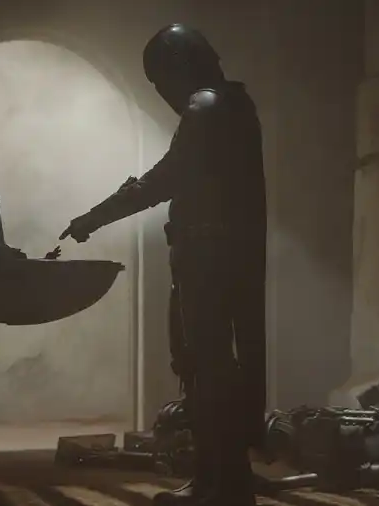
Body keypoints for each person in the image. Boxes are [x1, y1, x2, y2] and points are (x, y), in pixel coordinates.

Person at [59, 24, 267, 506]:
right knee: (213, 369)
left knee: (206, 370)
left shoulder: (206, 107)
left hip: (207, 260)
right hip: (225, 256)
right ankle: (220, 480)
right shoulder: (236, 106)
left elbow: (164, 180)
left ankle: (220, 485)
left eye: (161, 80)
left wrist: (96, 216)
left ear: (179, 65)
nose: (163, 93)